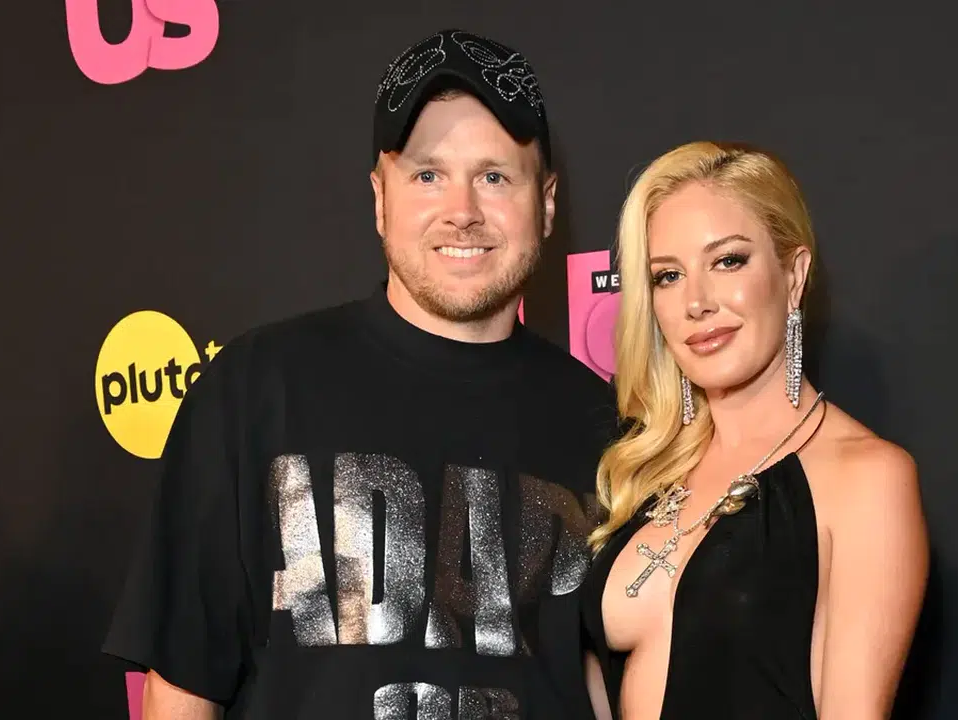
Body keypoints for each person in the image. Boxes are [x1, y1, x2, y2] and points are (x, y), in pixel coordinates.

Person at [102, 29, 617, 719]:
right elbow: (183, 685)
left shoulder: (608, 430)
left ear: (546, 202)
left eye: (495, 176)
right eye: (427, 175)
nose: (462, 211)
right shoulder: (254, 388)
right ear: (379, 198)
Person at [579, 141, 929, 719]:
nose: (696, 302)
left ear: (793, 276)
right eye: (668, 276)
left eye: (728, 261)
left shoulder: (868, 478)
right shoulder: (646, 472)